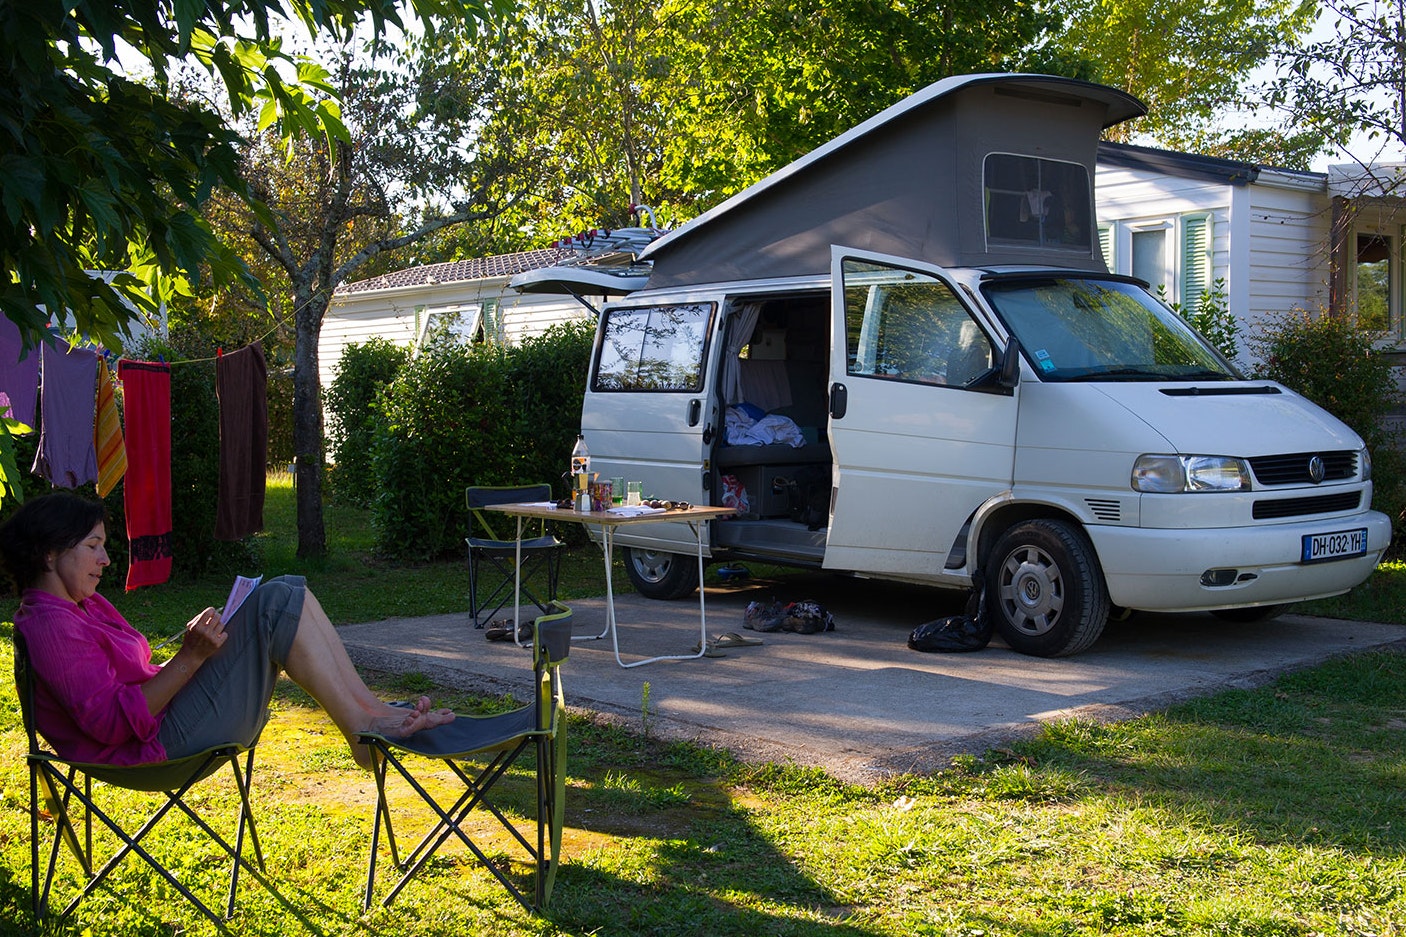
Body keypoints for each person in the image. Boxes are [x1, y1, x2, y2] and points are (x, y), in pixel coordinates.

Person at [0, 492, 454, 770]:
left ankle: (371, 715)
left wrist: (194, 648)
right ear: (48, 554)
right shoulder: (50, 625)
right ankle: (366, 731)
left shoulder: (83, 605)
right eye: (93, 546)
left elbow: (131, 676)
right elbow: (114, 724)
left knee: (287, 589)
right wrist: (191, 658)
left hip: (167, 725)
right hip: (152, 749)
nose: (105, 560)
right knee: (276, 600)